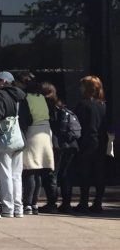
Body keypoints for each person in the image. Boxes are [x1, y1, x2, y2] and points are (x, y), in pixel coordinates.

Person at [17, 71, 54, 216]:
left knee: (29, 170)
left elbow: (26, 119)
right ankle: (34, 203)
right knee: (38, 171)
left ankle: (27, 204)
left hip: (33, 133)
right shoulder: (42, 98)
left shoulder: (26, 99)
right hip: (45, 132)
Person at [0, 71, 26, 219]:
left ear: (4, 81)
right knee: (17, 175)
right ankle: (19, 208)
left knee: (5, 174)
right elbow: (27, 118)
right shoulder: (22, 96)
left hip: (6, 138)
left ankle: (7, 207)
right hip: (19, 137)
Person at [43, 82, 80, 212]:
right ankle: (66, 204)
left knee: (52, 174)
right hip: (71, 144)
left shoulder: (48, 107)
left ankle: (52, 203)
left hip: (58, 144)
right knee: (66, 174)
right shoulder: (61, 105)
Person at [73, 74, 108, 211]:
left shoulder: (83, 104)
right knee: (99, 172)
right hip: (100, 141)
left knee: (85, 172)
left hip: (86, 141)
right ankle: (98, 202)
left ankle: (84, 202)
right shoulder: (102, 105)